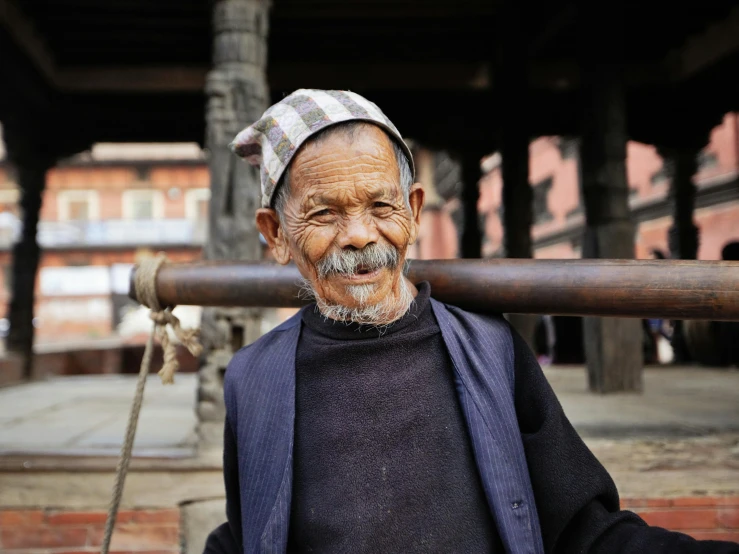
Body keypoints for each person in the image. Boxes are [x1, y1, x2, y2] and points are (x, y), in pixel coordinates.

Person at [204, 89, 738, 554]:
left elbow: (583, 533)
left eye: (381, 206)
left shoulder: (490, 349)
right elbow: (253, 529)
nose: (360, 236)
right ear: (276, 234)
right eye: (324, 214)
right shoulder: (255, 378)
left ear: (413, 210)